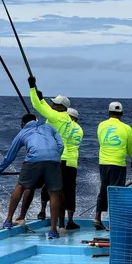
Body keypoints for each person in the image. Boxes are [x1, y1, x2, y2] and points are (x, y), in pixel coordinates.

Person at [0, 113, 64, 239]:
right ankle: (53, 230)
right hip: (54, 160)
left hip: (33, 161)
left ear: (23, 123)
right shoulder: (50, 127)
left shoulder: (23, 132)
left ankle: (8, 220)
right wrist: (53, 157)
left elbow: (10, 155)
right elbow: (61, 145)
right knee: (54, 193)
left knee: (20, 186)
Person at [28, 76, 84, 230]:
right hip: (67, 160)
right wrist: (42, 100)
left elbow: (38, 108)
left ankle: (47, 217)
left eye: (54, 103)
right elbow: (46, 109)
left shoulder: (57, 117)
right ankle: (63, 223)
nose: (52, 104)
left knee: (50, 189)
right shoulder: (66, 119)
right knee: (62, 191)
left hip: (53, 159)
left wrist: (32, 88)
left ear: (61, 107)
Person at [15, 108, 82, 229]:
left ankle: (41, 211)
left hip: (54, 159)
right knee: (66, 192)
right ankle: (66, 222)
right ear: (76, 118)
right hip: (71, 162)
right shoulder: (79, 129)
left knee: (46, 186)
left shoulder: (56, 123)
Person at [94, 101, 132, 230]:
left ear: (109, 112)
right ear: (121, 113)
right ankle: (112, 223)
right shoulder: (127, 128)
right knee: (116, 193)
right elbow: (129, 148)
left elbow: (101, 141)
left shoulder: (101, 125)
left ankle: (97, 218)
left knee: (103, 190)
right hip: (118, 164)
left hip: (103, 163)